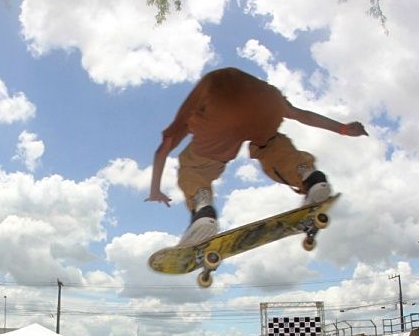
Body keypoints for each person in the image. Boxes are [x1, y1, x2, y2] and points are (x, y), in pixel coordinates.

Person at [147, 67, 368, 246]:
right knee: (270, 144)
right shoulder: (254, 87)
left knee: (193, 165)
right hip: (266, 101)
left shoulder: (198, 99)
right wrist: (343, 129)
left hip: (219, 108)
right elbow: (302, 116)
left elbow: (162, 151)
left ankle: (203, 206)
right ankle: (309, 176)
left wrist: (155, 190)